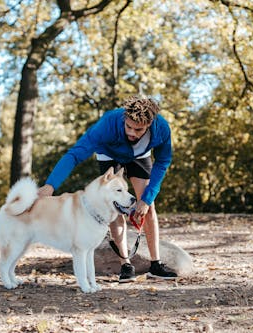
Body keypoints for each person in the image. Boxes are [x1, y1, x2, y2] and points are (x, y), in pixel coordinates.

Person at [37, 96, 177, 282]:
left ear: (150, 123)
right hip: (110, 154)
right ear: (124, 119)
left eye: (139, 129)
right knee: (114, 206)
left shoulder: (162, 128)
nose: (132, 133)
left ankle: (155, 265)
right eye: (129, 127)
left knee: (148, 206)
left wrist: (146, 199)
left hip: (140, 155)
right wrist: (51, 185)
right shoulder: (108, 123)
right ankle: (125, 265)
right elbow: (75, 154)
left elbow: (163, 162)